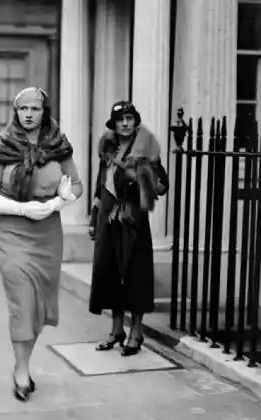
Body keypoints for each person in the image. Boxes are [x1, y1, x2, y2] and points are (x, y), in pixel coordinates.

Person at [0, 86, 82, 402]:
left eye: (34, 108)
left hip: (48, 233)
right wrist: (23, 208)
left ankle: (24, 361)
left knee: (38, 306)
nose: (28, 114)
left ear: (44, 112)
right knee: (22, 302)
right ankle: (21, 370)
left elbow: (76, 184)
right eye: (23, 108)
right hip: (13, 231)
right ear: (16, 111)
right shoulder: (3, 144)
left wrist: (60, 202)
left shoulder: (58, 145)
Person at [88, 101, 168, 357]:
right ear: (114, 123)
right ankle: (116, 330)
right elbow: (101, 185)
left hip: (133, 220)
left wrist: (142, 177)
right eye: (120, 119)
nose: (125, 123)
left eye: (129, 118)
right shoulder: (108, 148)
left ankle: (136, 332)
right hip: (108, 219)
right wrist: (94, 217)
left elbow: (162, 185)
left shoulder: (146, 150)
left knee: (136, 275)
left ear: (136, 121)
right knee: (110, 273)